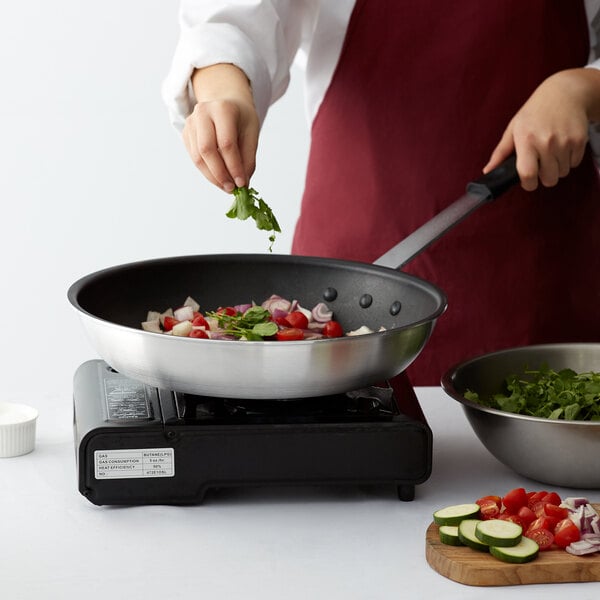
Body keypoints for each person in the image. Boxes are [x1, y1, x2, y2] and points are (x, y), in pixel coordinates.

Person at [162, 0, 600, 386]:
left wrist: (581, 88)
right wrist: (226, 94)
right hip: (348, 291)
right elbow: (232, 17)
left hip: (541, 293)